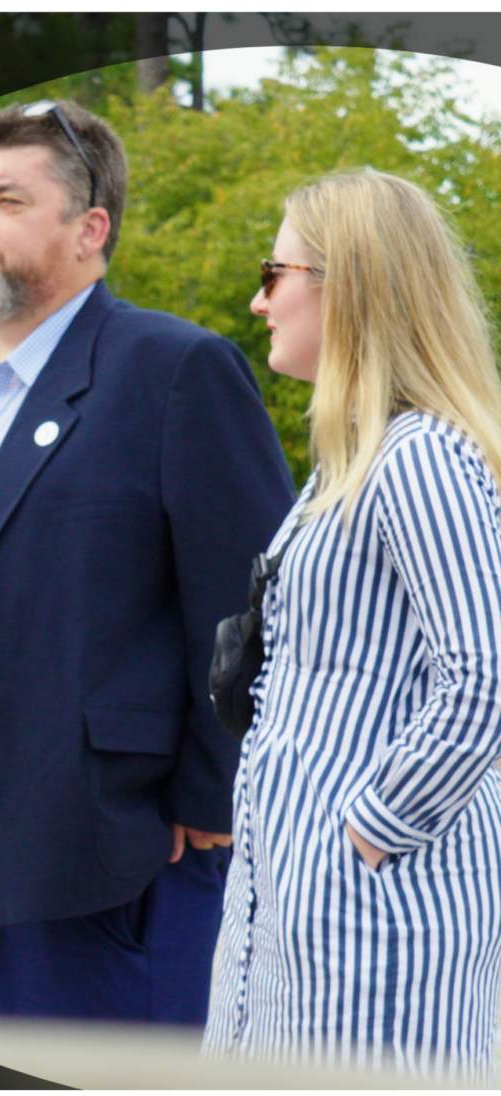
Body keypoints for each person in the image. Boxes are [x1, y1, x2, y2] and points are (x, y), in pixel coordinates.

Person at [0, 99, 295, 1024]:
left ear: (90, 228)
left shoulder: (174, 369)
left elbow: (260, 605)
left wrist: (218, 797)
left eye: (9, 200)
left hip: (108, 880)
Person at [204, 168, 501, 1083]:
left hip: (375, 927)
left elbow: (485, 674)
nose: (259, 302)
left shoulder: (422, 458)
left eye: (275, 271)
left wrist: (369, 834)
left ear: (350, 284)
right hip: (292, 917)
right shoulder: (351, 459)